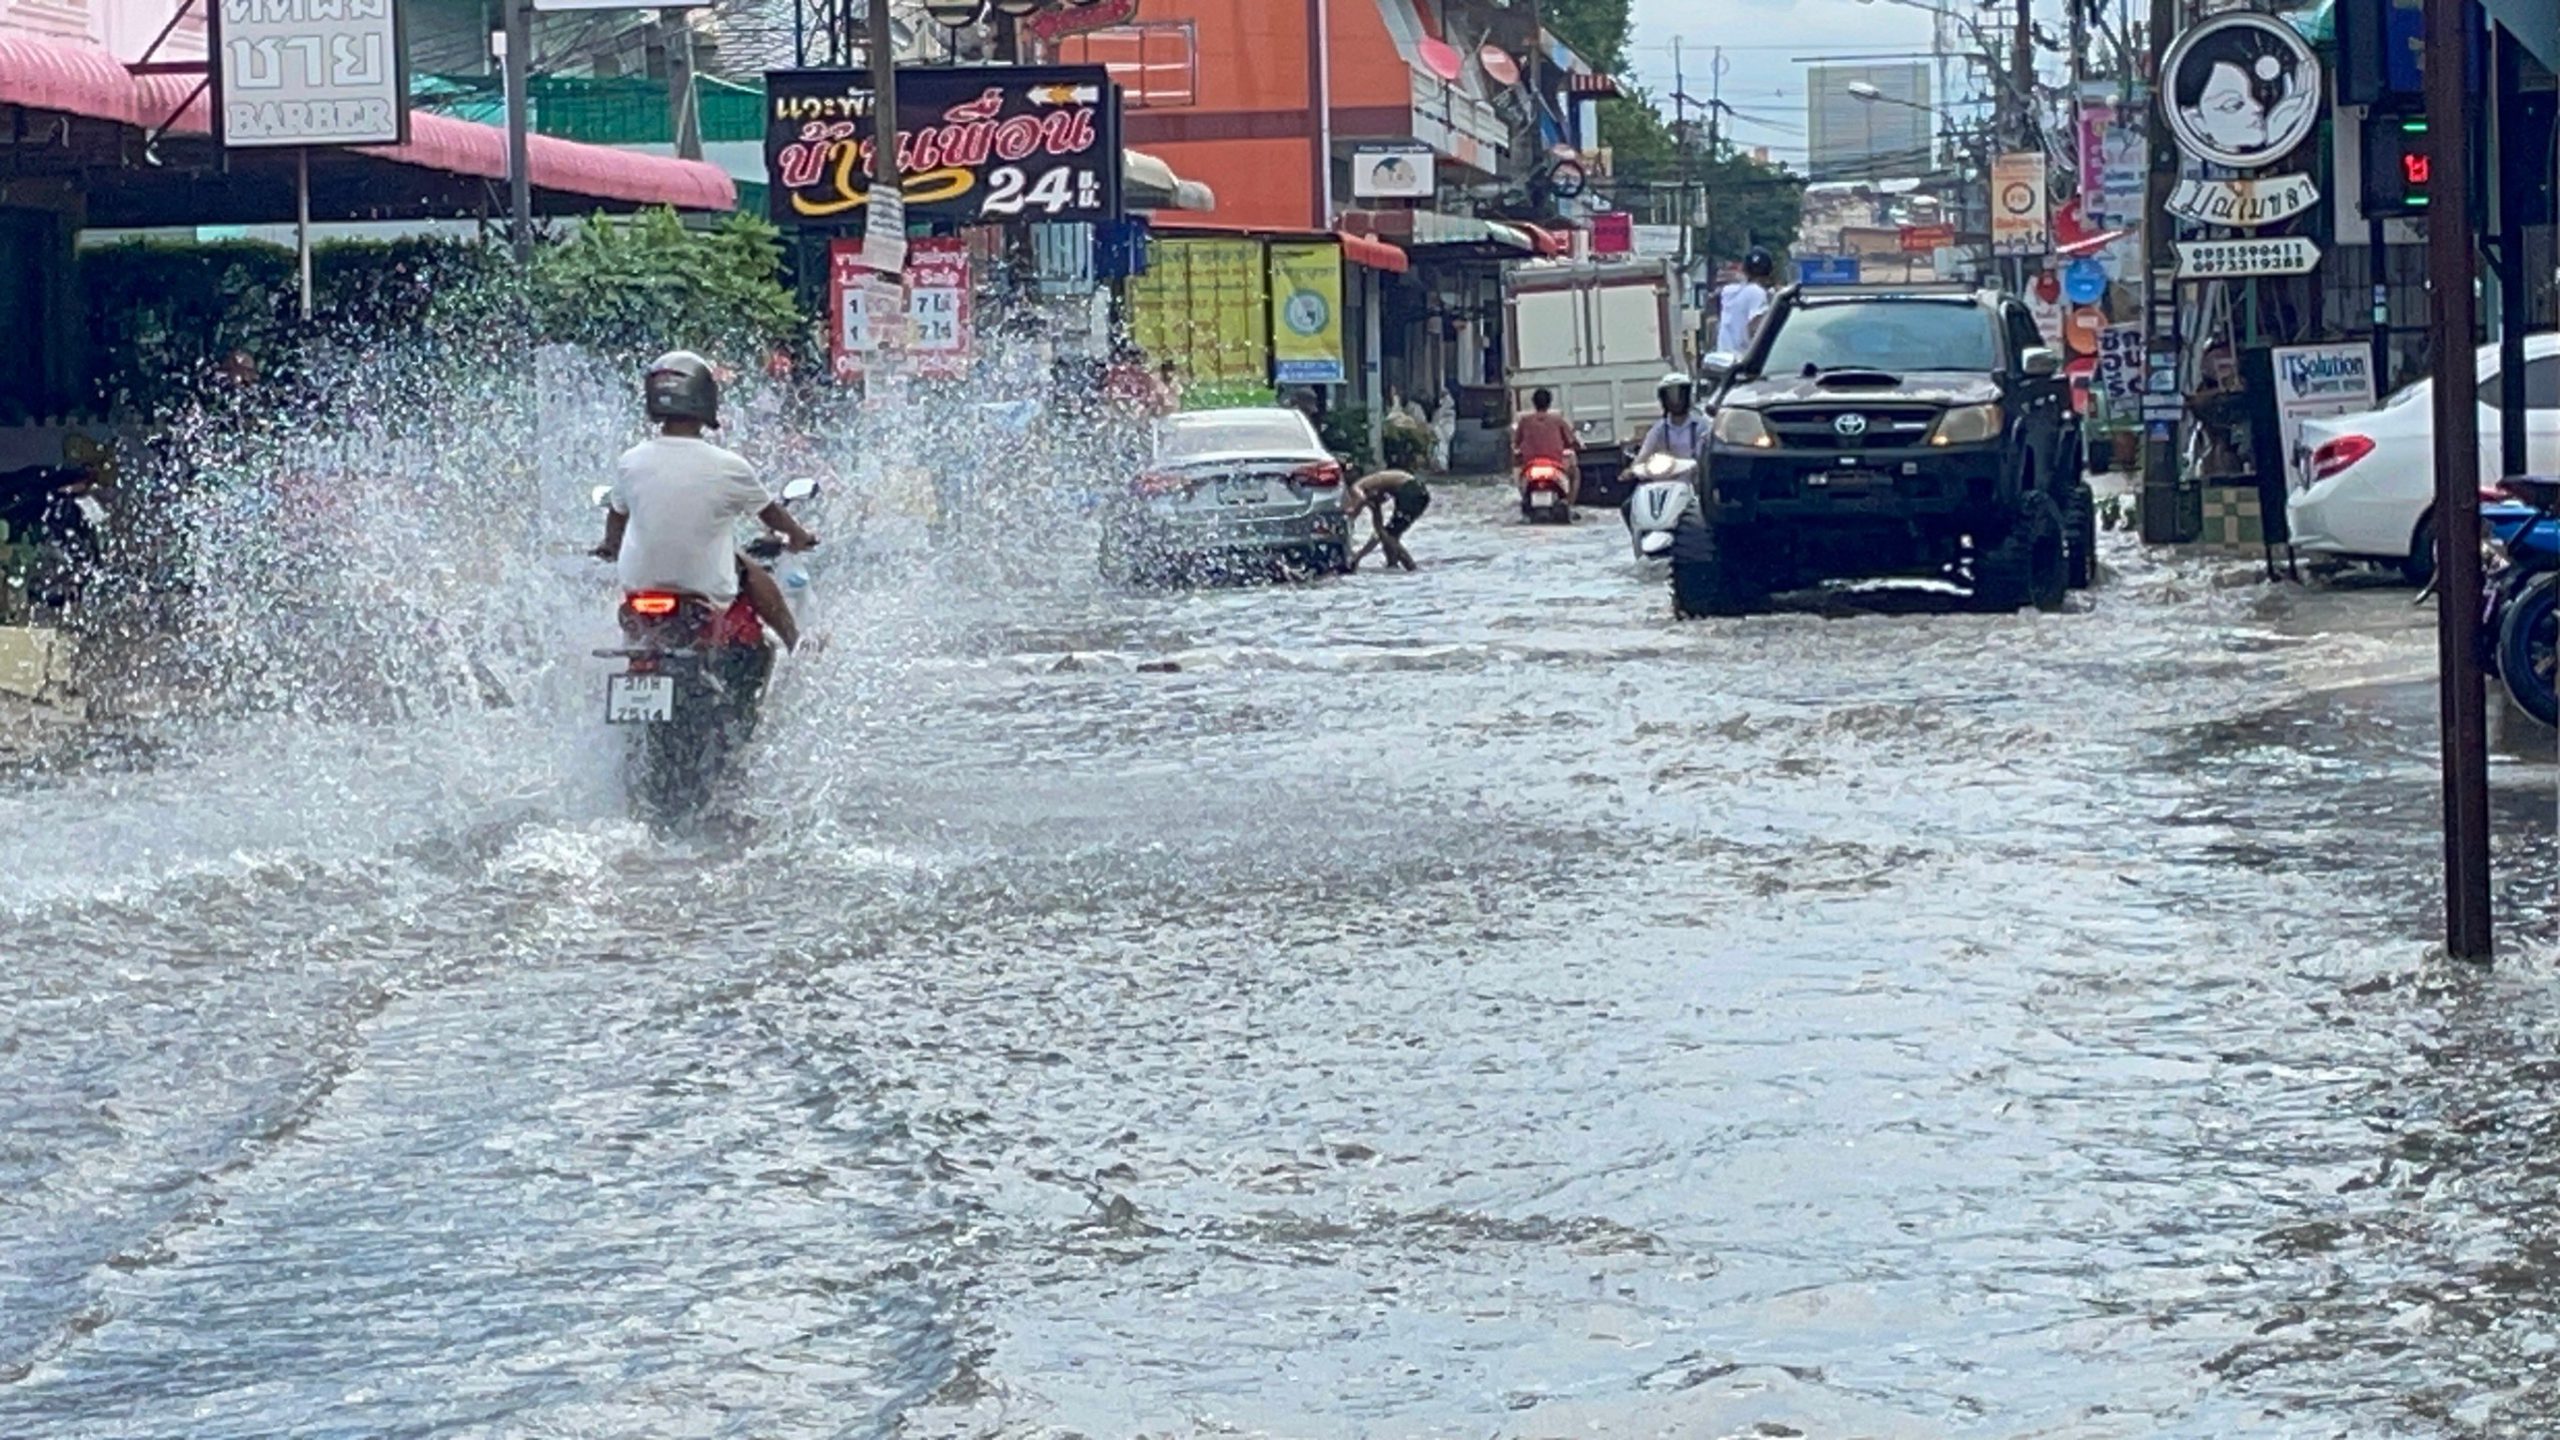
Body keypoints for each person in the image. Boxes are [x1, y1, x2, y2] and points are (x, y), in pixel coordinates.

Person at [594, 350, 818, 653]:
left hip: (639, 585)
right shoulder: (728, 466)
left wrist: (609, 546)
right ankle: (795, 643)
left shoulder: (630, 461)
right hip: (703, 586)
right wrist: (798, 536)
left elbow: (617, 515)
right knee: (750, 571)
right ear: (705, 398)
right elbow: (771, 514)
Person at [1343, 467, 1429, 572]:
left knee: (1391, 536)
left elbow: (1360, 500)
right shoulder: (1374, 495)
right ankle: (1392, 565)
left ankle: (1412, 568)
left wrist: (1350, 513)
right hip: (1421, 493)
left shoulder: (1357, 486)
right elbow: (1379, 531)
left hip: (1410, 490)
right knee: (1389, 534)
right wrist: (1359, 557)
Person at [1511, 386, 1580, 504]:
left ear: (1533, 403)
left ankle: (1524, 499)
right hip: (1554, 466)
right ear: (1549, 403)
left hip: (1530, 466)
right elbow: (1572, 442)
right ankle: (1569, 503)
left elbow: (1516, 443)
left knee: (1518, 473)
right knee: (1575, 473)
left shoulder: (1524, 421)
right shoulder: (1558, 420)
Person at [1634, 371, 1708, 465]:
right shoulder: (1659, 428)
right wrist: (1633, 469)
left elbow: (1705, 454)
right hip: (1668, 476)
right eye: (1670, 396)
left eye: (1680, 395)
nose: (1675, 402)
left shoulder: (1701, 426)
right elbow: (1645, 452)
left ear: (1687, 396)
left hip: (1695, 478)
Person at [1714, 249, 1776, 356]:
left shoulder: (1728, 291)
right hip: (1743, 359)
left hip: (1723, 357)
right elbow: (1755, 327)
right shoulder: (1757, 293)